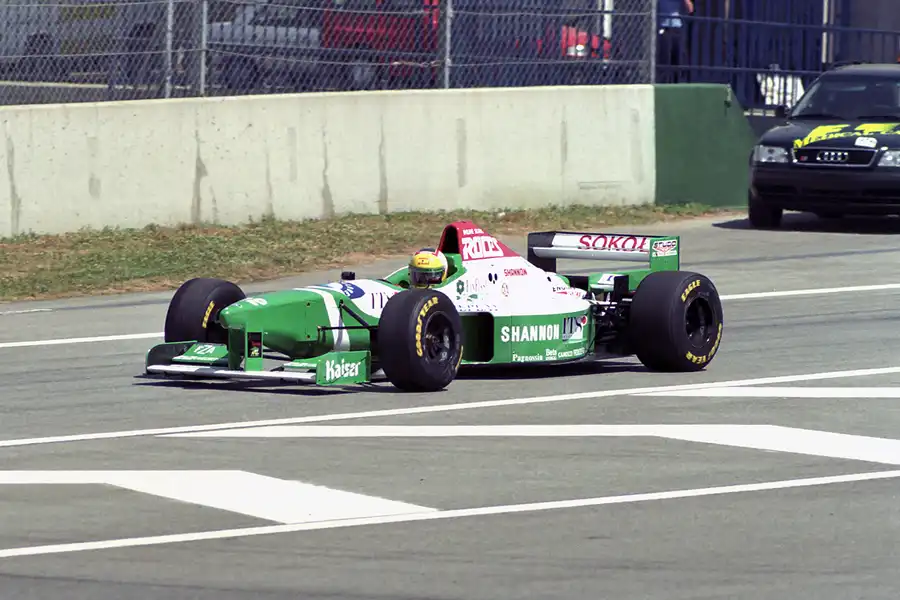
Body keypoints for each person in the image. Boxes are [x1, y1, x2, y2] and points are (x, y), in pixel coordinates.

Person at [657, 0, 693, 83]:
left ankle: (676, 83)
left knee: (678, 59)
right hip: (664, 28)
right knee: (665, 60)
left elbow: (690, 9)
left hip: (677, 29)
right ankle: (664, 84)